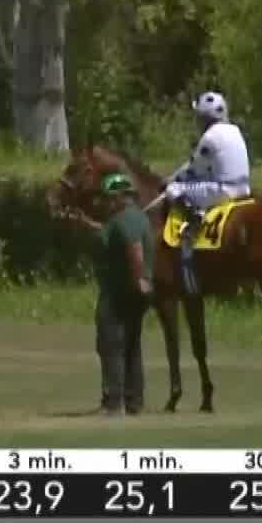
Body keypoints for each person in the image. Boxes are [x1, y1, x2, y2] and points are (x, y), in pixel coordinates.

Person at [146, 91, 252, 292]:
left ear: (204, 117)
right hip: (244, 188)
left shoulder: (210, 136)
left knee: (174, 189)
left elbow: (193, 169)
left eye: (199, 118)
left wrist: (171, 179)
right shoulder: (235, 130)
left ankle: (193, 217)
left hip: (224, 190)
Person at [92, 172, 154, 416]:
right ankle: (134, 400)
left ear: (119, 197)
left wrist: (138, 277)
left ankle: (114, 402)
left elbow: (134, 248)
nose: (105, 203)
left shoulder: (122, 220)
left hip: (120, 292)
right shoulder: (137, 217)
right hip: (137, 294)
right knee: (131, 345)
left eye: (108, 198)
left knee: (111, 344)